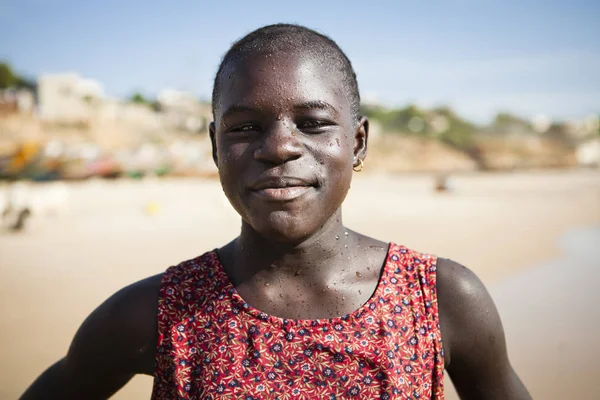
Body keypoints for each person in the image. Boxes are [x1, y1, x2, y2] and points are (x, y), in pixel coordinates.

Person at [21, 24, 531, 399]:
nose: (280, 147)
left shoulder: (441, 299)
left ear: (357, 143)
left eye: (312, 123)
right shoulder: (155, 315)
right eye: (244, 128)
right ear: (215, 146)